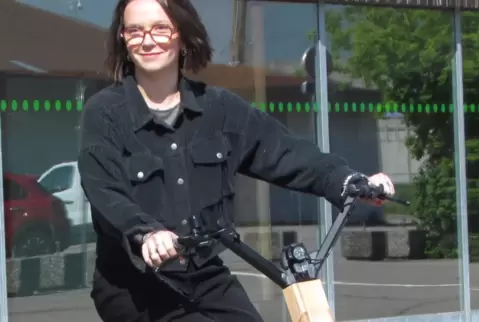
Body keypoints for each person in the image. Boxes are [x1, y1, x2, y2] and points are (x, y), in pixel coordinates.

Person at [77, 0, 396, 321]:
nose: (148, 40)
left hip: (202, 273)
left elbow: (285, 151)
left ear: (183, 34)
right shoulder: (104, 113)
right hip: (135, 286)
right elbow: (104, 190)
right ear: (123, 38)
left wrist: (347, 180)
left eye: (161, 28)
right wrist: (145, 233)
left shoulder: (218, 108)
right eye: (135, 31)